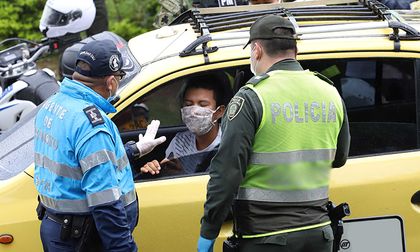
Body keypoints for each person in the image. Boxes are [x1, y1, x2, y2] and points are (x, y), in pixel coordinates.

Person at [197, 15, 350, 252]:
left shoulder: (251, 98)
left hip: (266, 238)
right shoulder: (329, 92)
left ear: (256, 50)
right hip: (319, 234)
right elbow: (339, 158)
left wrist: (208, 233)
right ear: (295, 49)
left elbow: (227, 174)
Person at [34, 39, 165, 251]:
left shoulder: (53, 105)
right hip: (84, 237)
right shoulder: (92, 124)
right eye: (120, 78)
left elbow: (74, 164)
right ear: (111, 82)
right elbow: (105, 203)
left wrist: (133, 151)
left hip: (57, 228)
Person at [140, 74, 230, 175]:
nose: (193, 111)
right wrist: (155, 169)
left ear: (219, 111)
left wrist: (182, 174)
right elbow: (168, 174)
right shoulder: (180, 142)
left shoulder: (229, 144)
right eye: (188, 105)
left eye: (203, 105)